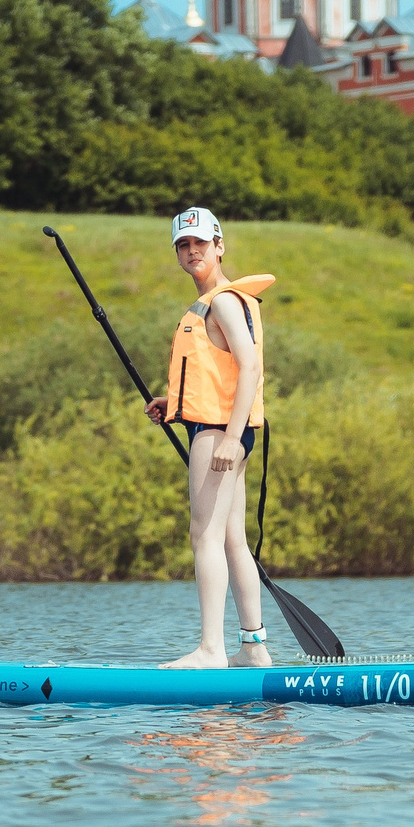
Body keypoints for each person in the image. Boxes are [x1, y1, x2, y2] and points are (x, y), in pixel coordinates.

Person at [144, 206, 274, 669]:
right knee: (232, 538)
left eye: (200, 242)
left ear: (220, 245)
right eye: (183, 244)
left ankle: (211, 649)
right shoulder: (222, 301)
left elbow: (251, 366)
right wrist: (173, 403)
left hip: (221, 432)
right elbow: (217, 371)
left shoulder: (222, 299)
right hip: (218, 426)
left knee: (204, 536)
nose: (192, 251)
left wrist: (228, 437)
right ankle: (253, 647)